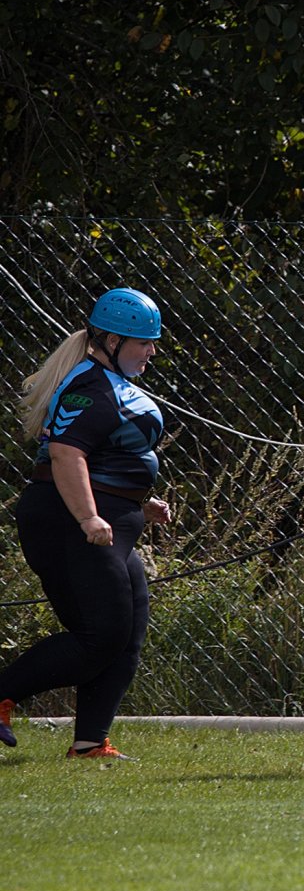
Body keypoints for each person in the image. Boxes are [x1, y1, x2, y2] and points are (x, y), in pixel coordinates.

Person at [0, 288, 173, 760]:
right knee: (102, 635)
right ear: (112, 341)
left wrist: (136, 503)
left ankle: (90, 743)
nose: (151, 352)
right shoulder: (90, 386)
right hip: (69, 521)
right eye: (144, 343)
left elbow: (102, 460)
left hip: (105, 520)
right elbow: (65, 454)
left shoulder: (105, 381)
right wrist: (89, 515)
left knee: (128, 633)